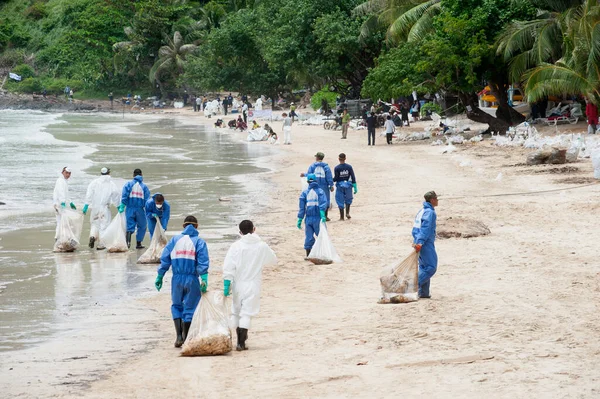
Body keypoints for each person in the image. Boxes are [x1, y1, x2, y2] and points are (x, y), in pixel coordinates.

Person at [155, 215, 209, 347]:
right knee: (190, 307)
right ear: (197, 226)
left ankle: (179, 337)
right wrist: (204, 278)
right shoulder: (199, 242)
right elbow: (202, 262)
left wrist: (160, 275)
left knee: (177, 305)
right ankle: (186, 337)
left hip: (177, 278)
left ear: (183, 226)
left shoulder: (174, 240)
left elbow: (165, 258)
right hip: (191, 278)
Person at [223, 220, 277, 351]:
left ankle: (236, 340)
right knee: (246, 314)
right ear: (254, 229)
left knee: (236, 312)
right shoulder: (261, 246)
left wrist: (227, 282)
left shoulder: (236, 246)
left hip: (238, 284)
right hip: (253, 283)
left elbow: (228, 266)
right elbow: (273, 260)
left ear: (240, 232)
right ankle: (241, 343)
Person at [82, 167, 120, 249]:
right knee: (104, 226)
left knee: (95, 224)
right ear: (108, 173)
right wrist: (118, 206)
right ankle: (101, 244)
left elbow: (89, 194)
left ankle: (92, 236)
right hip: (104, 208)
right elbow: (116, 195)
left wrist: (86, 205)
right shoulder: (111, 184)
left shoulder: (94, 183)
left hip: (95, 208)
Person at [412, 191, 438, 299]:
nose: (437, 200)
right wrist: (420, 242)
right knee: (431, 267)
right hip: (425, 243)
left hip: (420, 240)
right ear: (432, 200)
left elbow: (416, 228)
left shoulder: (422, 211)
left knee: (424, 267)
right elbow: (425, 229)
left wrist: (416, 240)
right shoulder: (430, 213)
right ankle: (412, 286)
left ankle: (423, 292)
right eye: (436, 199)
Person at [297, 174, 328, 258]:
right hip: (318, 218)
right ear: (316, 181)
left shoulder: (305, 193)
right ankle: (322, 254)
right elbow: (323, 204)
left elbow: (302, 208)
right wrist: (323, 215)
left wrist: (300, 219)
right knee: (321, 236)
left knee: (309, 237)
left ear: (307, 182)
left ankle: (308, 255)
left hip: (308, 219)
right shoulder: (320, 192)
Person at [119, 169, 151, 249]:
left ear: (133, 175)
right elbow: (147, 200)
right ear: (141, 175)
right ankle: (138, 243)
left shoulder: (128, 184)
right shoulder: (144, 187)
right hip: (140, 209)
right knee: (142, 226)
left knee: (129, 225)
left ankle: (127, 243)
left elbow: (124, 195)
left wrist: (123, 205)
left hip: (129, 208)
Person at [300, 152, 334, 221]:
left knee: (315, 199)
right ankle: (325, 216)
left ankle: (317, 215)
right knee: (325, 200)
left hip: (314, 185)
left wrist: (304, 174)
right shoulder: (326, 167)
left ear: (317, 158)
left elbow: (310, 175)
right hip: (324, 186)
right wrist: (331, 185)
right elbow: (329, 177)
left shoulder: (313, 166)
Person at [53, 167, 76, 239]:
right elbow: (61, 192)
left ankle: (60, 238)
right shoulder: (60, 181)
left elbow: (66, 194)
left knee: (62, 222)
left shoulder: (64, 181)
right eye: (66, 173)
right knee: (61, 222)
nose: (68, 175)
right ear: (62, 172)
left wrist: (71, 202)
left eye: (69, 173)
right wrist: (62, 202)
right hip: (59, 205)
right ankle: (59, 238)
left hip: (61, 204)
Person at [333, 153, 357, 220]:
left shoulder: (337, 168)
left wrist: (330, 181)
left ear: (339, 159)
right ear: (345, 158)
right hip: (348, 185)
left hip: (340, 186)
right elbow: (353, 176)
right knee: (348, 199)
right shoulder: (349, 167)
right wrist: (355, 186)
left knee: (340, 200)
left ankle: (342, 217)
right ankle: (347, 213)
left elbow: (336, 178)